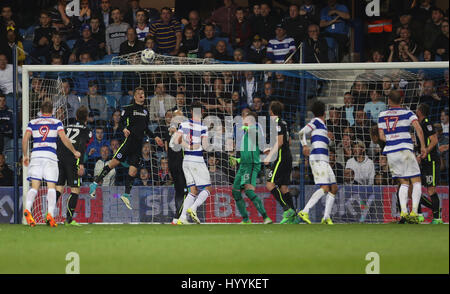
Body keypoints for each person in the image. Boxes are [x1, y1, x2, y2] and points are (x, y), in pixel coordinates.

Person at [89, 87, 151, 209]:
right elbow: (121, 122)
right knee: (113, 164)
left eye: (142, 93)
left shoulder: (145, 111)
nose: (141, 95)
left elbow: (146, 128)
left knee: (133, 171)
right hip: (128, 143)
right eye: (138, 93)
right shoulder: (128, 108)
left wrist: (156, 136)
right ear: (134, 96)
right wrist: (123, 129)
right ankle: (95, 184)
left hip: (138, 146)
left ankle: (126, 195)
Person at [22, 101, 81, 227]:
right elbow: (64, 139)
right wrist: (74, 151)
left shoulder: (32, 123)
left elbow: (25, 138)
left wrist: (25, 155)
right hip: (50, 156)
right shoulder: (57, 123)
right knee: (51, 187)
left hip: (36, 155)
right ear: (52, 111)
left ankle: (27, 209)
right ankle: (50, 215)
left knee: (34, 187)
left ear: (41, 111)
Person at [377, 90, 427, 223]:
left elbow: (381, 136)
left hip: (391, 152)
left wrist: (392, 138)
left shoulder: (382, 115)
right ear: (401, 101)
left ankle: (403, 212)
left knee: (403, 182)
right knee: (416, 181)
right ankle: (414, 212)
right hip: (405, 149)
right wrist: (422, 146)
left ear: (389, 101)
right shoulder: (407, 112)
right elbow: (419, 129)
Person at [171, 101, 213, 225]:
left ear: (190, 112)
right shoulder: (203, 126)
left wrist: (188, 145)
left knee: (193, 191)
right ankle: (193, 208)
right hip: (197, 160)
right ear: (202, 112)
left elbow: (176, 140)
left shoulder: (184, 124)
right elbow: (205, 146)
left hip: (186, 161)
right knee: (208, 188)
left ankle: (182, 218)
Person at [298, 100, 338, 225]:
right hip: (317, 158)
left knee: (334, 188)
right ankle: (305, 211)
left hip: (324, 160)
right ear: (324, 112)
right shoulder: (315, 121)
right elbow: (301, 133)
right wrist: (305, 146)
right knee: (325, 188)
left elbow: (328, 144)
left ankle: (326, 217)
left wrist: (330, 139)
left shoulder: (323, 127)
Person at [229, 111, 272, 224]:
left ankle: (265, 217)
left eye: (245, 118)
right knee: (235, 192)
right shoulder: (246, 134)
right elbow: (247, 153)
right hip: (243, 165)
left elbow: (258, 137)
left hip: (251, 166)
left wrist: (246, 127)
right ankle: (246, 219)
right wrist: (237, 160)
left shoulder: (255, 129)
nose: (242, 119)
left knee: (248, 191)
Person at [55, 106, 92, 226]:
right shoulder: (86, 130)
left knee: (59, 187)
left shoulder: (66, 127)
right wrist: (81, 163)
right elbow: (81, 145)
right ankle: (69, 219)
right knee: (75, 189)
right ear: (86, 118)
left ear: (76, 117)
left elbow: (60, 141)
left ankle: (48, 214)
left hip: (60, 157)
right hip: (73, 159)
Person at [264, 101, 296, 224]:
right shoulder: (284, 123)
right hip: (287, 157)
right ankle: (294, 216)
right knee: (283, 187)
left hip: (281, 158)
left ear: (271, 111)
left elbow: (281, 142)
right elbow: (289, 142)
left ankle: (287, 209)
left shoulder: (277, 123)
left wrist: (270, 156)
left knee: (269, 184)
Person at [415, 104, 443, 224]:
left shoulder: (427, 123)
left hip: (431, 161)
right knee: (416, 189)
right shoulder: (419, 125)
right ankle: (420, 215)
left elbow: (434, 140)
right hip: (423, 161)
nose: (415, 111)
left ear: (420, 112)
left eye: (417, 109)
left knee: (431, 190)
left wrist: (426, 151)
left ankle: (437, 218)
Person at [167, 110, 187, 224]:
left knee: (185, 190)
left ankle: (180, 216)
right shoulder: (169, 131)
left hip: (184, 165)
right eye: (174, 116)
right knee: (179, 190)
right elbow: (168, 150)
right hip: (175, 166)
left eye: (179, 115)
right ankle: (179, 216)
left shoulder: (185, 130)